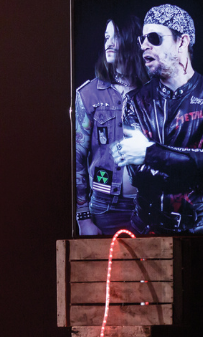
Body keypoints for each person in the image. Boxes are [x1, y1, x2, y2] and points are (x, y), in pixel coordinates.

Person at [116, 4, 203, 234]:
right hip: (145, 232)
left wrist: (150, 152)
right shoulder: (135, 102)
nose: (144, 45)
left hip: (200, 231)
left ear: (182, 42)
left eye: (154, 38)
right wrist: (191, 161)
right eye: (142, 39)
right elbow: (140, 174)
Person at [75, 15, 148, 235]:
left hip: (149, 207)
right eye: (106, 37)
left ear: (133, 40)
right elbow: (76, 160)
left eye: (115, 36)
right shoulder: (88, 94)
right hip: (105, 209)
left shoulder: (153, 92)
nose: (108, 42)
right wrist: (83, 219)